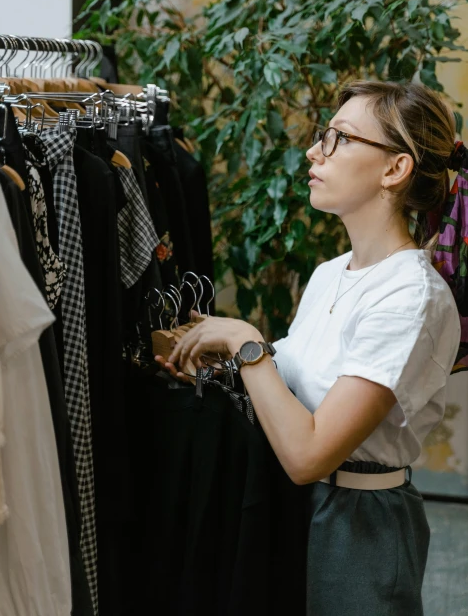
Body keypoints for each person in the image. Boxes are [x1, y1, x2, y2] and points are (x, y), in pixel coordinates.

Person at [156, 81, 463, 616]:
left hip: (358, 526)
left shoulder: (411, 296)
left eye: (339, 138)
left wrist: (247, 343)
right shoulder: (330, 274)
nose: (314, 150)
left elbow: (309, 454)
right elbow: (298, 395)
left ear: (395, 169)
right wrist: (221, 363)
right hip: (291, 507)